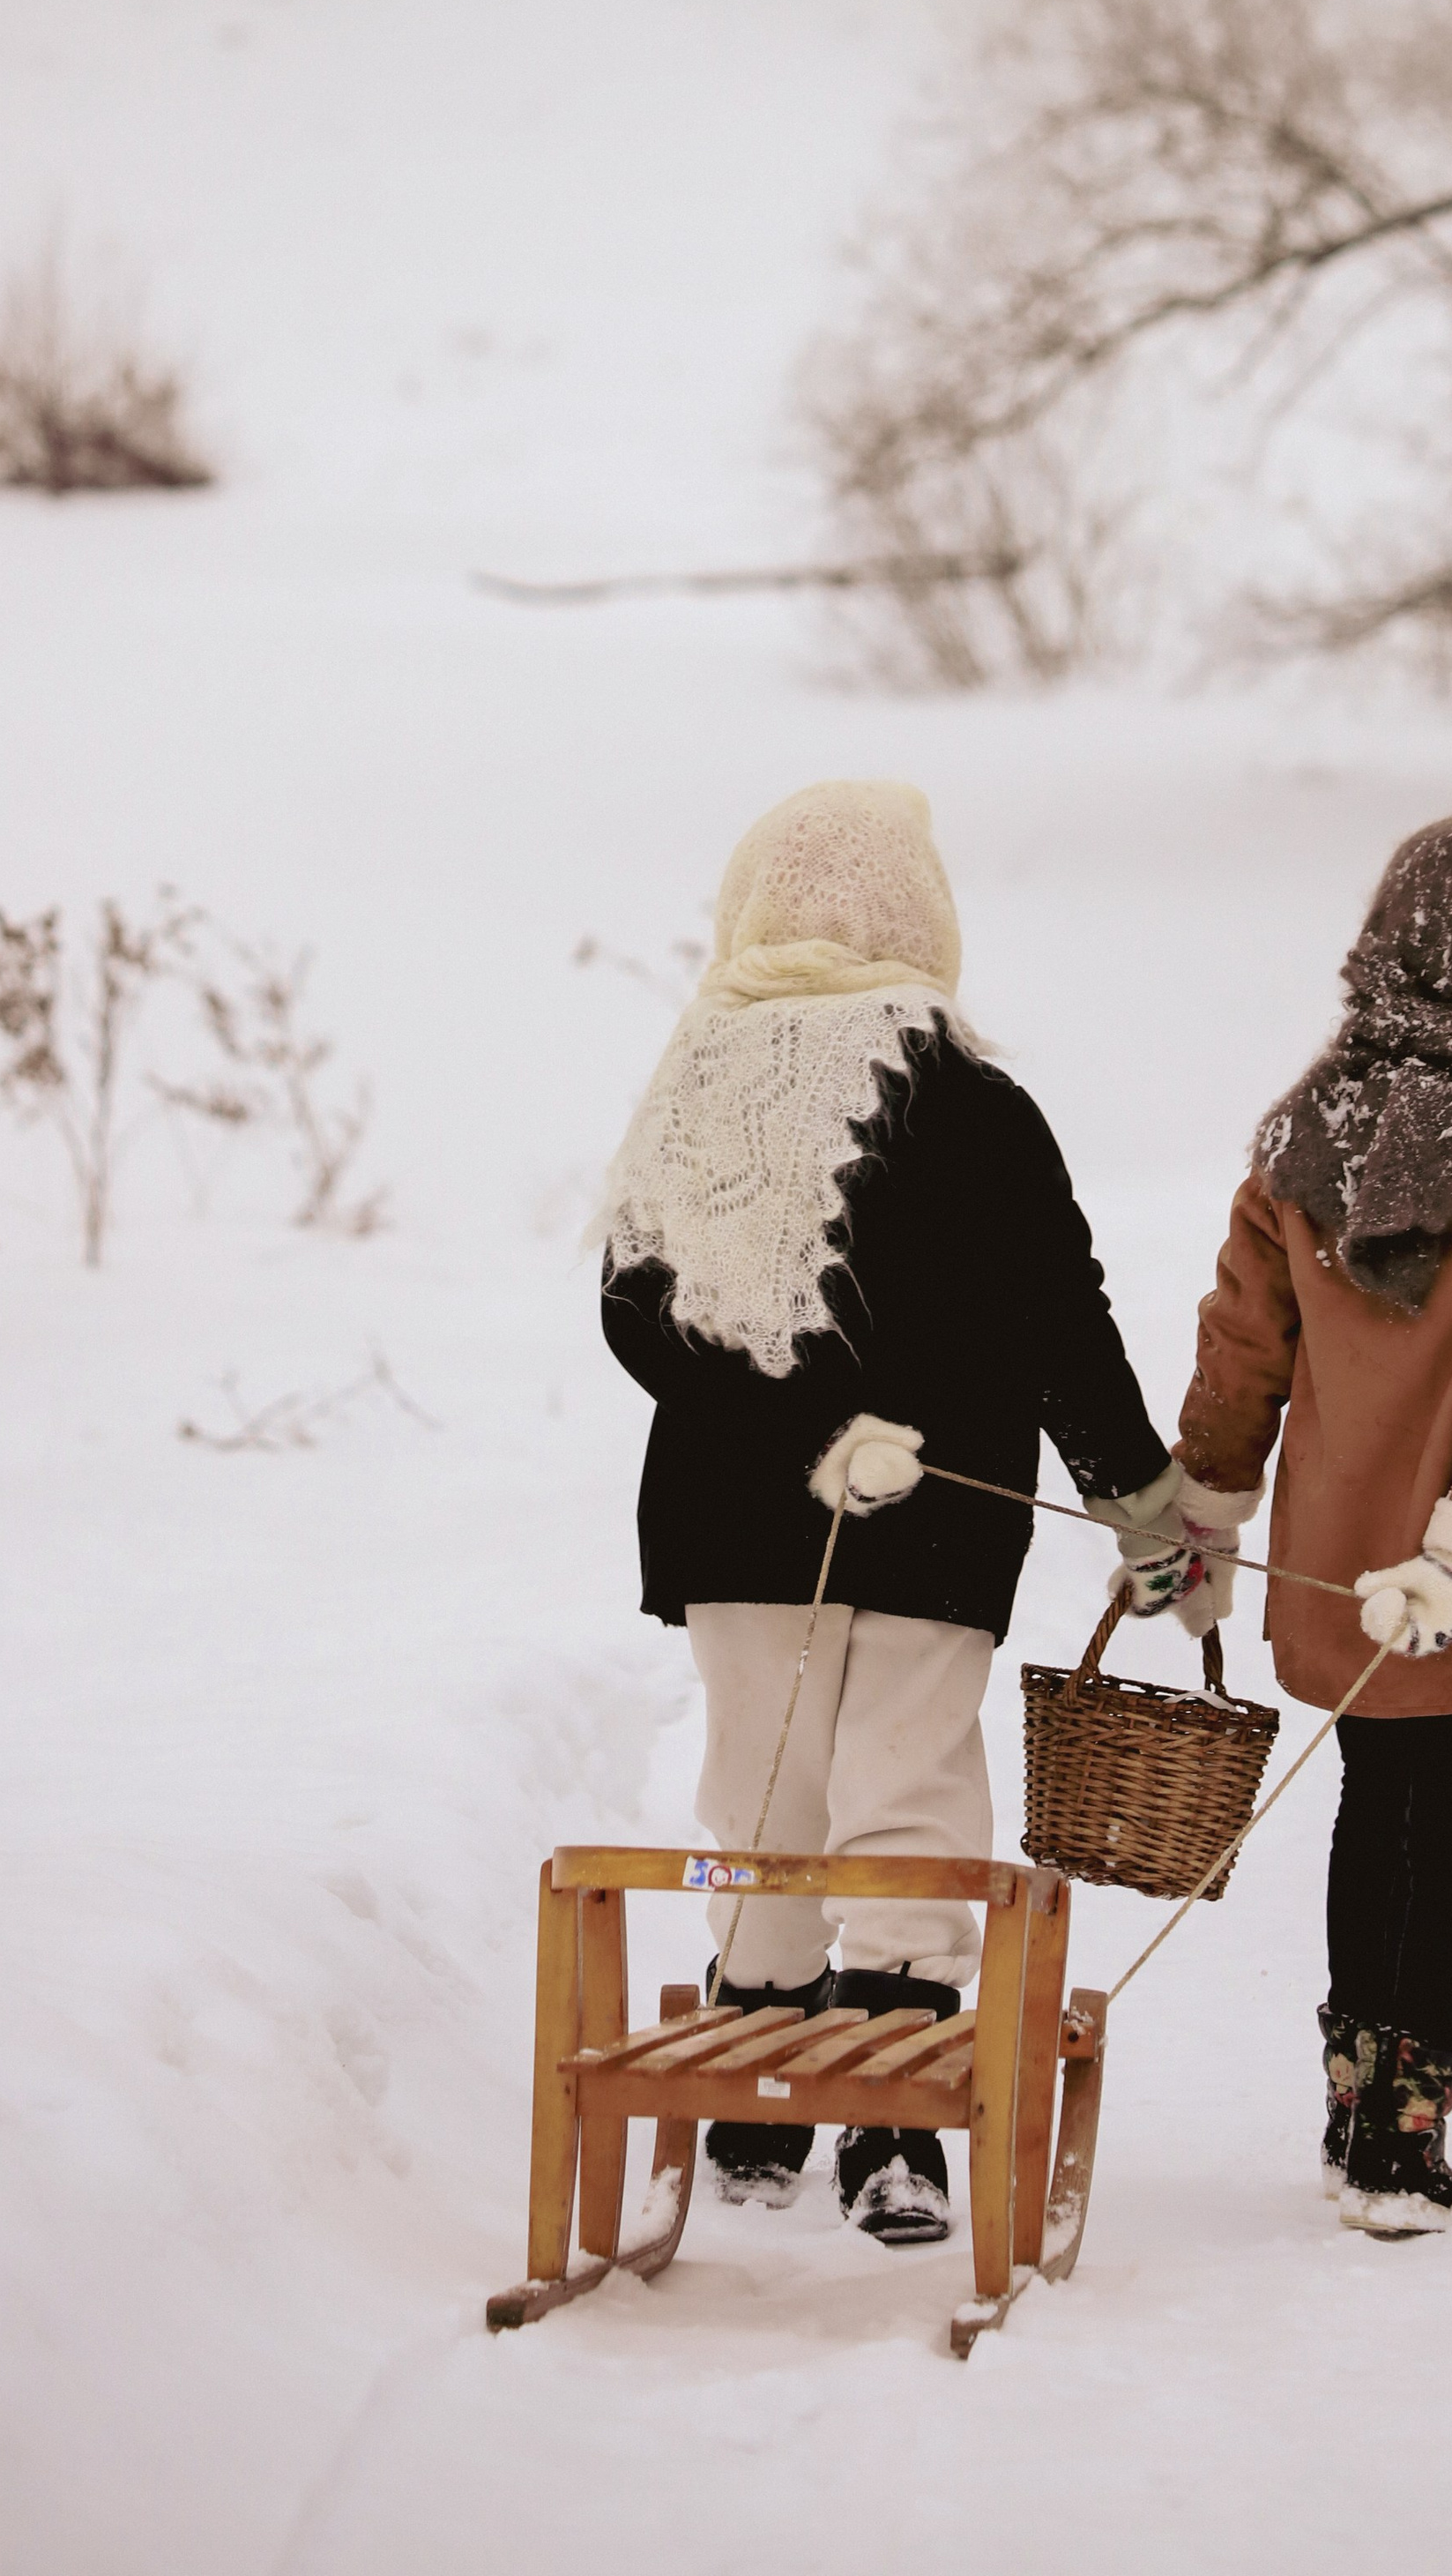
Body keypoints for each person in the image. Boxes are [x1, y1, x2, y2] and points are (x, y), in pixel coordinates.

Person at [591, 779, 1180, 2245]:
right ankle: (885, 2125)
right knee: (905, 1785)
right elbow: (1063, 1320)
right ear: (924, 917)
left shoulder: (695, 1085)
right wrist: (1135, 1497)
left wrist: (777, 1427)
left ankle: (764, 2082)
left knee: (762, 1782)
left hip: (740, 1520)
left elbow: (632, 1312)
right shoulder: (979, 1102)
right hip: (939, 1517)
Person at [1165, 810, 1452, 2238]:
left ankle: (1352, 2105)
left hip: (1343, 1559)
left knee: (1376, 1809)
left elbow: (1241, 1354)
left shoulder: (1300, 1152)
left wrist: (1204, 1509)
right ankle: (1403, 2136)